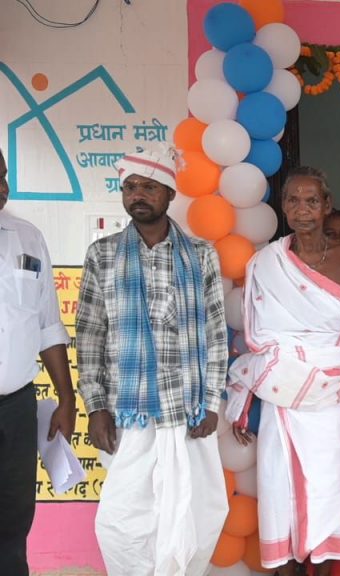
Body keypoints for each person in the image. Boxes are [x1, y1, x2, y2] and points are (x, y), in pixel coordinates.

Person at [76, 146, 229, 575]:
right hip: (129, 412)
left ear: (169, 193)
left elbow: (216, 334)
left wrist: (212, 402)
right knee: (125, 520)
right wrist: (96, 407)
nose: (137, 195)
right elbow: (89, 335)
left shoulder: (200, 254)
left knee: (196, 514)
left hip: (188, 410)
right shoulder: (103, 254)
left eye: (148, 187)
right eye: (129, 187)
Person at [226, 167, 340, 574]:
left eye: (311, 201)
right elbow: (259, 339)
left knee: (328, 495)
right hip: (283, 395)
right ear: (283, 206)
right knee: (280, 493)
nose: (302, 209)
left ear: (327, 205)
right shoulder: (265, 263)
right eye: (293, 200)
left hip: (334, 398)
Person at [0, 147, 75, 576]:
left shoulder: (27, 236)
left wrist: (66, 398)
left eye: (3, 176)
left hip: (16, 406)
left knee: (14, 518)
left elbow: (48, 324)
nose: (2, 187)